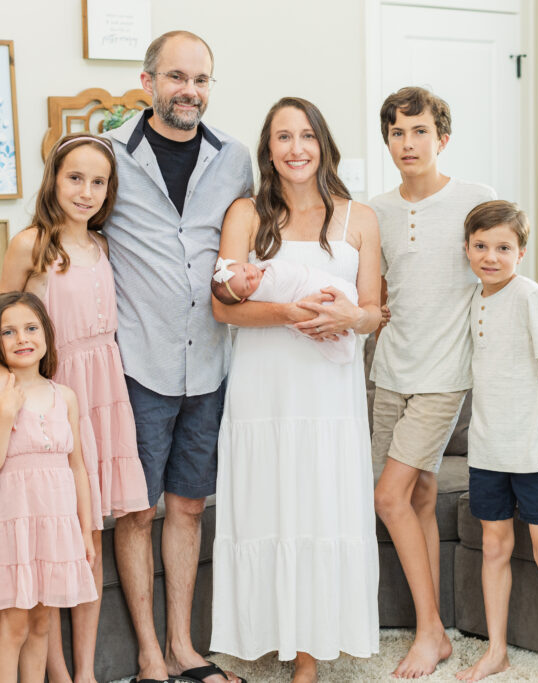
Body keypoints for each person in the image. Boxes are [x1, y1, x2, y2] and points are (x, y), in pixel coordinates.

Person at [210, 96, 382, 683]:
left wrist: (349, 319)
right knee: (270, 505)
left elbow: (375, 310)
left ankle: (310, 655)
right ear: (269, 150)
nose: (296, 148)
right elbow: (223, 305)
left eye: (306, 135)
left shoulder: (359, 218)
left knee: (321, 503)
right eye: (283, 137)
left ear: (323, 144)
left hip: (328, 392)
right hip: (265, 387)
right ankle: (273, 635)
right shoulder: (246, 214)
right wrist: (286, 311)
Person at [100, 30, 253, 683]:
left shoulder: (235, 158)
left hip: (213, 363)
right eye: (176, 77)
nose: (190, 90)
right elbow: (64, 235)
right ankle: (148, 657)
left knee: (189, 504)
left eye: (201, 79)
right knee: (138, 509)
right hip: (139, 364)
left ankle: (184, 646)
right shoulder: (108, 156)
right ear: (148, 82)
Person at [0, 133, 148, 683]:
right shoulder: (30, 244)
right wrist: (11, 399)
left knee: (89, 533)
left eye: (99, 182)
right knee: (60, 538)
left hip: (105, 391)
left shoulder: (104, 245)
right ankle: (54, 673)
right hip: (53, 392)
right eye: (76, 178)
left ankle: (87, 672)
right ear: (54, 179)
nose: (86, 191)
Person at [368, 86, 496, 679]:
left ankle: (429, 633)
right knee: (414, 495)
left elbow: (503, 277)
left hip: (444, 376)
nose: (408, 142)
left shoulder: (475, 201)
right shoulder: (375, 212)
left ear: (442, 139)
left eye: (419, 131)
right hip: (388, 371)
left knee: (388, 498)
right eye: (397, 132)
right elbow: (373, 292)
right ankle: (437, 631)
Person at [455, 200, 538, 683]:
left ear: (521, 252)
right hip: (487, 450)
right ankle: (497, 653)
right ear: (467, 249)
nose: (491, 256)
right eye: (481, 246)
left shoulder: (529, 297)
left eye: (503, 247)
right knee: (494, 548)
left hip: (534, 453)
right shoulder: (472, 300)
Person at [0, 292, 98, 683]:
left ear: (46, 335)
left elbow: (77, 468)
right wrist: (7, 411)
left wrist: (87, 531)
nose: (22, 338)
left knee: (42, 625)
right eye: (8, 331)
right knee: (15, 628)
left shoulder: (65, 397)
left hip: (56, 526)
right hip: (15, 525)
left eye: (31, 328)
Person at [210, 257, 359, 363]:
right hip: (306, 301)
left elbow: (297, 274)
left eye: (244, 268)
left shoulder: (268, 269)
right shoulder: (265, 291)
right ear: (244, 299)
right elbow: (286, 295)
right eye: (248, 285)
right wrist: (295, 312)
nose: (251, 274)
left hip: (321, 286)